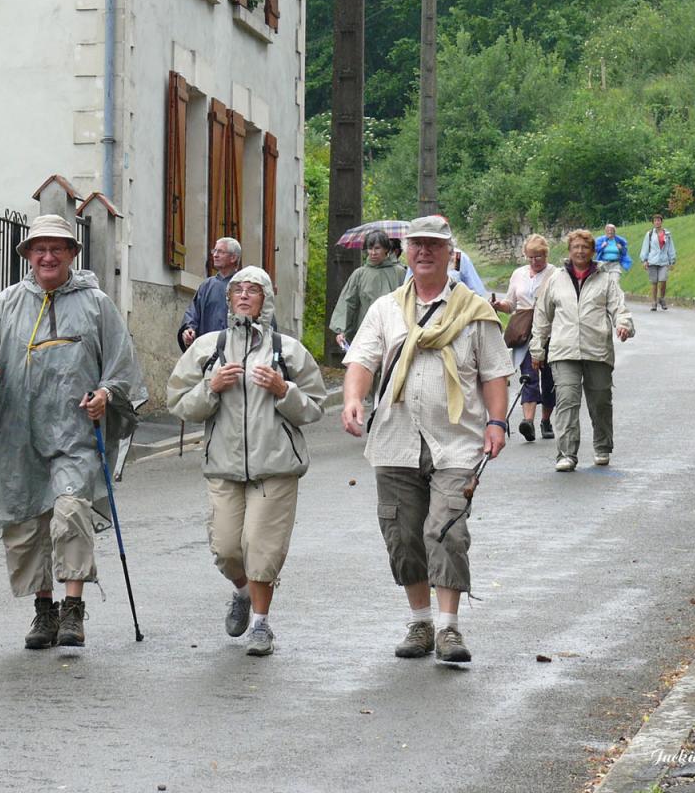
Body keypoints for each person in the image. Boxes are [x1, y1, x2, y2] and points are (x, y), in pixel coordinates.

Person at [0, 214, 147, 650]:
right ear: (27, 255)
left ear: (71, 255)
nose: (48, 256)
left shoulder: (96, 304)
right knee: (27, 522)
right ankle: (43, 611)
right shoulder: (6, 303)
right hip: (17, 433)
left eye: (57, 248)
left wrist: (105, 393)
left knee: (69, 512)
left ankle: (72, 610)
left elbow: (122, 365)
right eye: (39, 249)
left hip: (75, 434)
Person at [341, 215, 512, 665]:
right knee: (402, 533)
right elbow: (362, 358)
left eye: (433, 246)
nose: (423, 252)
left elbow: (495, 373)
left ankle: (449, 629)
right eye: (416, 245)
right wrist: (353, 400)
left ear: (449, 253)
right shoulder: (386, 310)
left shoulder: (475, 311)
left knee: (445, 529)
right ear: (407, 251)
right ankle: (420, 622)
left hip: (456, 441)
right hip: (395, 438)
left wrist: (497, 423)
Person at [167, 266, 327, 657]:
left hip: (275, 467)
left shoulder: (287, 351)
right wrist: (211, 386)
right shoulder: (207, 348)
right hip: (223, 465)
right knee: (225, 548)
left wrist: (282, 389)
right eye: (237, 289)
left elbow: (315, 406)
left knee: (261, 547)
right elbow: (177, 402)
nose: (243, 295)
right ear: (228, 299)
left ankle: (261, 624)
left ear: (265, 300)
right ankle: (241, 592)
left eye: (252, 290)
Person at [531, 229, 635, 472]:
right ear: (569, 251)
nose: (580, 251)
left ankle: (602, 446)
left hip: (596, 348)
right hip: (563, 350)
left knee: (600, 401)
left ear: (592, 251)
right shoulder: (556, 279)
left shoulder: (605, 278)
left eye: (585, 247)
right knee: (566, 401)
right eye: (576, 247)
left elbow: (619, 308)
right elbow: (542, 316)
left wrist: (623, 325)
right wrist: (537, 349)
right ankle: (566, 453)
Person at [491, 234, 559, 442]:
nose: (534, 261)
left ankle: (546, 420)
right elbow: (511, 304)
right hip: (523, 330)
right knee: (528, 375)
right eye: (530, 257)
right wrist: (498, 306)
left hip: (548, 329)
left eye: (538, 257)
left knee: (548, 378)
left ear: (545, 254)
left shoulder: (556, 273)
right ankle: (527, 421)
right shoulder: (518, 274)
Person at [329, 232, 406, 351]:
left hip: (394, 331)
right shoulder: (359, 274)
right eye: (370, 248)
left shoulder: (400, 273)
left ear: (386, 249)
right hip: (367, 331)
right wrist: (342, 330)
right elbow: (349, 303)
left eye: (377, 248)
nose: (373, 253)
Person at [178, 238, 242, 350]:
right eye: (214, 251)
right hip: (208, 352)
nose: (215, 255)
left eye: (221, 252)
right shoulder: (206, 286)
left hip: (235, 351)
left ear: (233, 257)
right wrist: (189, 331)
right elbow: (192, 313)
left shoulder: (244, 286)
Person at [640, 214, 678, 311]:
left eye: (659, 220)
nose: (657, 222)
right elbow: (645, 247)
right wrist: (644, 260)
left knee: (663, 280)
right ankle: (654, 302)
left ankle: (662, 298)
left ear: (662, 222)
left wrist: (672, 261)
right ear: (653, 223)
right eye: (655, 221)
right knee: (654, 282)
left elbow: (670, 247)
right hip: (652, 261)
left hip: (664, 261)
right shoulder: (649, 234)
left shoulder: (667, 234)